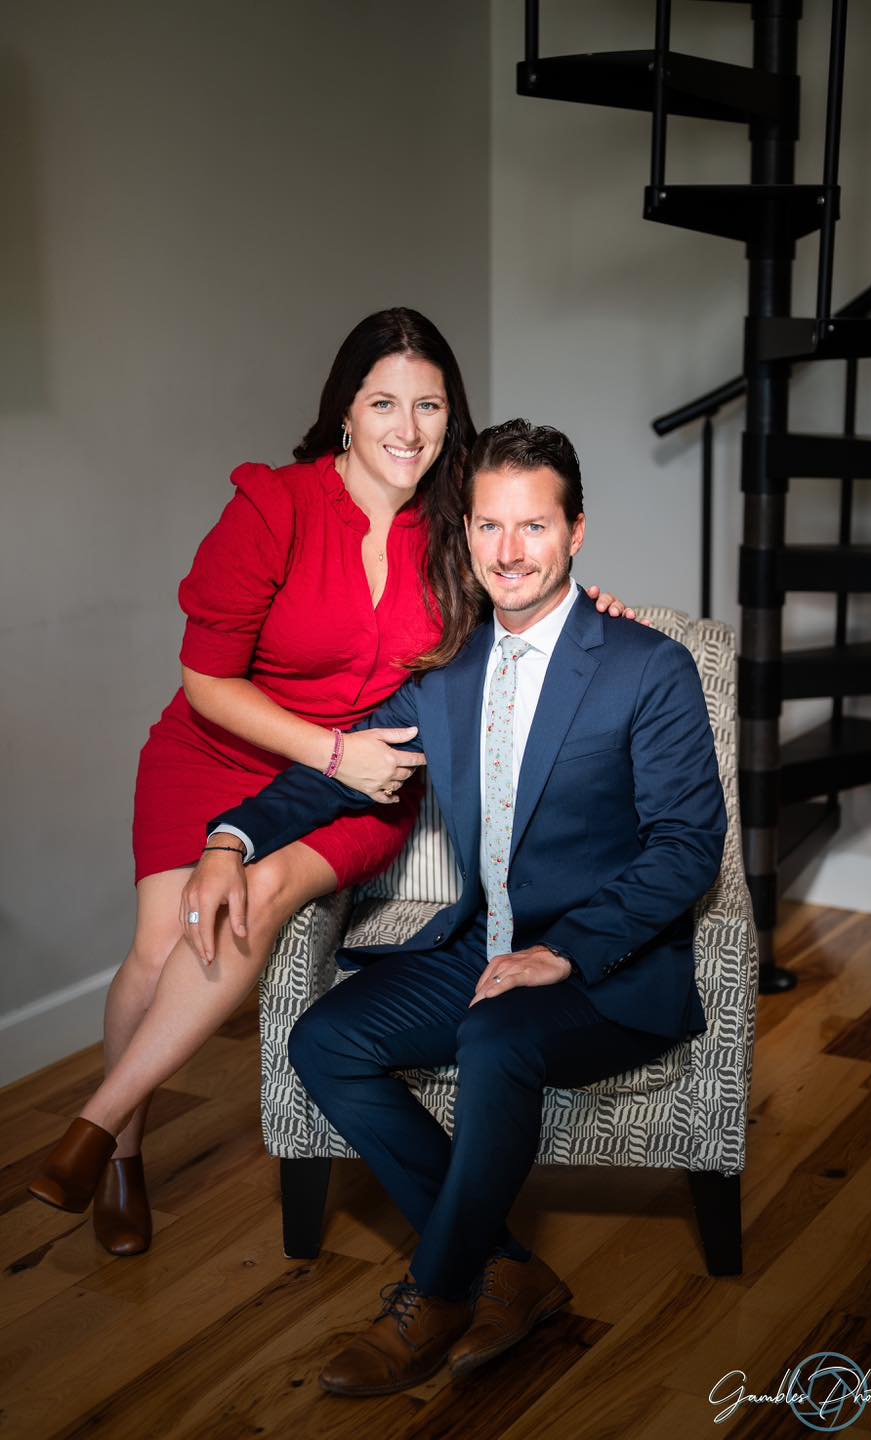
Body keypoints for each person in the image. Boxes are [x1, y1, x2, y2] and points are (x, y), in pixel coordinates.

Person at [27, 318, 634, 1254]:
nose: (408, 426)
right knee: (161, 941)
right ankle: (122, 1156)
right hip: (222, 750)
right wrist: (325, 749)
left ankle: (91, 1125)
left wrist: (597, 609)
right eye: (384, 402)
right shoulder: (273, 508)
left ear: (450, 416)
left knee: (254, 898)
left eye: (428, 405)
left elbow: (529, 577)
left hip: (364, 785)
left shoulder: (455, 522)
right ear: (345, 413)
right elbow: (206, 680)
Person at [178, 418, 727, 1395]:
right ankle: (505, 1270)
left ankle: (433, 1294)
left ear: (576, 533)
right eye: (488, 527)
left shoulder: (649, 668)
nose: (509, 552)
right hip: (483, 946)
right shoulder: (452, 670)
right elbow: (340, 771)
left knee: (498, 1037)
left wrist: (568, 953)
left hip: (607, 973)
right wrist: (231, 837)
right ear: (466, 536)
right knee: (326, 1040)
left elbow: (688, 849)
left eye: (533, 527)